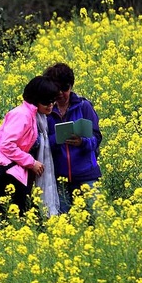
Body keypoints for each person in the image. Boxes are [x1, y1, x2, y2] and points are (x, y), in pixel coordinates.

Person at [0, 75, 59, 221]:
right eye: (46, 101)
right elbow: (6, 145)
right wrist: (31, 162)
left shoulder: (37, 116)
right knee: (6, 220)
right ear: (35, 99)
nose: (51, 105)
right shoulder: (22, 115)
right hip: (5, 175)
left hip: (16, 174)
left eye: (53, 100)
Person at [43, 63, 103, 214]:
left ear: (71, 86)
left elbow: (96, 138)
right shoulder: (46, 111)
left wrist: (82, 142)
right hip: (59, 179)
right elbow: (41, 143)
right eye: (57, 89)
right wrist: (57, 139)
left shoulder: (83, 106)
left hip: (87, 175)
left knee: (97, 218)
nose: (61, 93)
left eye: (65, 88)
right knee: (65, 221)